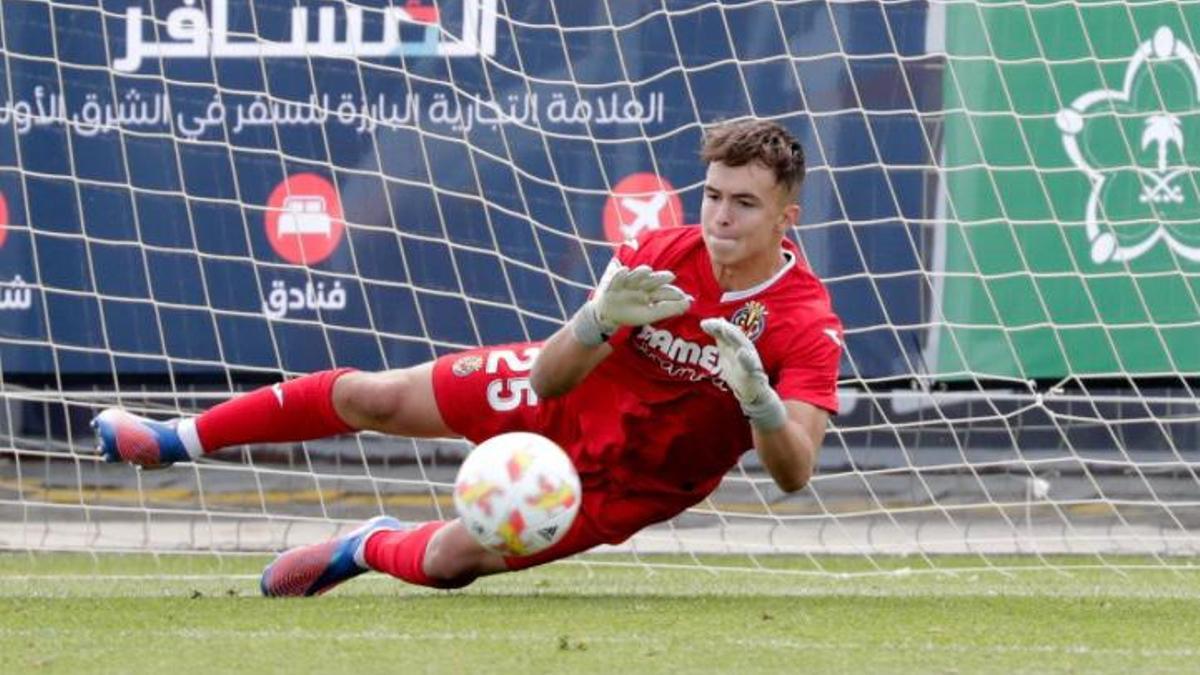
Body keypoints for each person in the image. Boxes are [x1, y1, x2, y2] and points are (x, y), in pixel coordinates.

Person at [92, 118, 843, 596]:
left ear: (787, 216)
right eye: (712, 194)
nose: (719, 215)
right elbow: (551, 376)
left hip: (637, 478)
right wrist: (595, 318)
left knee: (449, 562)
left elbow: (794, 471)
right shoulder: (658, 255)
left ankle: (364, 544)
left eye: (743, 203)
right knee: (375, 397)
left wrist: (759, 399)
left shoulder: (804, 322)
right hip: (558, 399)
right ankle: (173, 439)